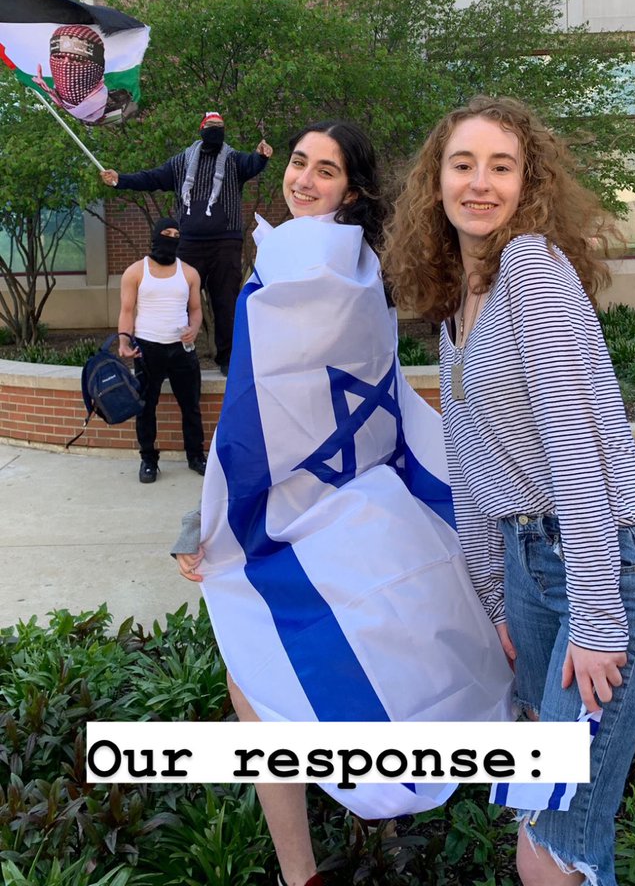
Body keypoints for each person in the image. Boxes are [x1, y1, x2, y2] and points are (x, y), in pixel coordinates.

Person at [173, 120, 514, 886]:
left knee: (264, 673)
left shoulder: (305, 273)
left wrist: (218, 527)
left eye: (324, 171)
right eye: (297, 163)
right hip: (359, 501)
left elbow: (261, 419)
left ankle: (314, 865)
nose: (303, 179)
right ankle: (387, 828)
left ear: (350, 190)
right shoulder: (356, 267)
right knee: (354, 661)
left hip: (320, 514)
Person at [382, 95, 635, 886]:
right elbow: (472, 468)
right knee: (547, 819)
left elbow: (574, 452)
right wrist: (493, 600)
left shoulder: (530, 271)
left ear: (527, 183)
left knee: (551, 846)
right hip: (534, 576)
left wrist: (599, 616)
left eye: (500, 167)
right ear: (434, 182)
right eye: (462, 164)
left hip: (609, 568)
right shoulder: (454, 308)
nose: (480, 184)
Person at [101, 113, 273, 373]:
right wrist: (120, 180)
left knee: (225, 302)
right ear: (201, 130)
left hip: (225, 242)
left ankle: (227, 359)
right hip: (189, 243)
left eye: (220, 127)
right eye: (211, 127)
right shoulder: (182, 162)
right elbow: (153, 178)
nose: (215, 131)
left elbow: (252, 164)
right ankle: (174, 355)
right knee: (177, 301)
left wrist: (261, 156)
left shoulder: (234, 160)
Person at [118, 215, 206, 484]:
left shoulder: (189, 273)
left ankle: (195, 455)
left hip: (182, 348)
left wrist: (195, 327)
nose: (171, 238)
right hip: (147, 348)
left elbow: (196, 309)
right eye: (166, 233)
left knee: (190, 405)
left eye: (175, 235)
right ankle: (148, 460)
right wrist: (124, 341)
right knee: (146, 407)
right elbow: (127, 310)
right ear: (155, 236)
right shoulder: (135, 272)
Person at [33, 23, 137, 124]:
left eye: (75, 59)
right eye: (59, 58)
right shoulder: (71, 108)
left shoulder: (123, 94)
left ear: (95, 66)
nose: (65, 64)